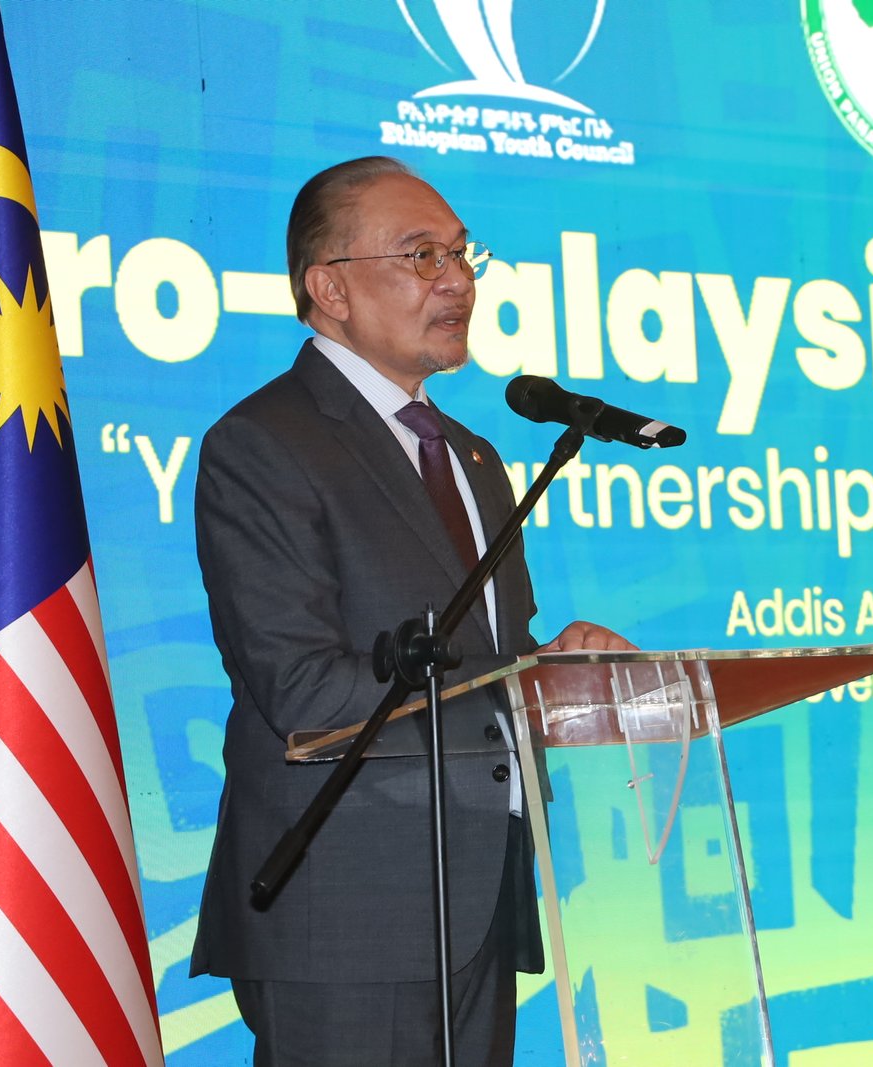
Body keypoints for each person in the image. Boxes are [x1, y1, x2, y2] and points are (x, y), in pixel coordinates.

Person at [190, 155, 631, 1066]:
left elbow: (492, 656)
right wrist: (511, 681)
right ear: (330, 288)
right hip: (345, 905)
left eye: (463, 254)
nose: (458, 279)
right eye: (423, 255)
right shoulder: (263, 444)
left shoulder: (473, 457)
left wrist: (553, 667)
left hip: (478, 895)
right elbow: (302, 689)